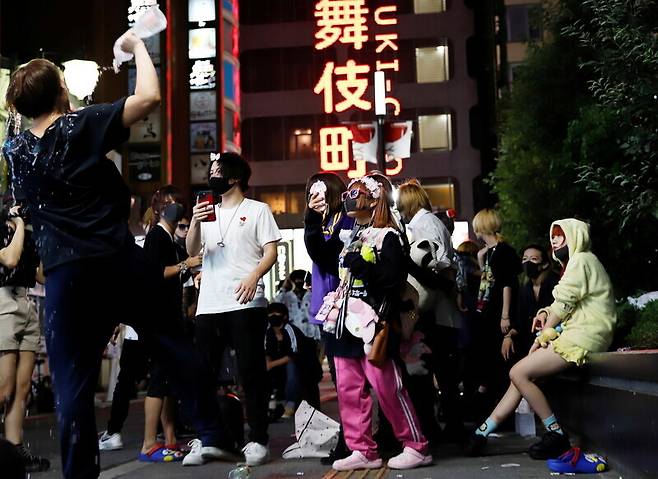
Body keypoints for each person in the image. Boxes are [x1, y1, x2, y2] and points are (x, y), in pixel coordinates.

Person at [3, 34, 235, 478]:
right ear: (62, 93)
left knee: (72, 385)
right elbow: (148, 96)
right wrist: (138, 46)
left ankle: (79, 474)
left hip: (64, 274)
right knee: (168, 339)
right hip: (116, 259)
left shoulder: (14, 150)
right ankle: (213, 432)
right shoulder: (80, 125)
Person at [466, 219, 616, 459]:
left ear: (575, 236)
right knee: (521, 375)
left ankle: (556, 434)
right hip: (579, 333)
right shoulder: (579, 262)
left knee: (518, 373)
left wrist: (543, 334)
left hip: (584, 336)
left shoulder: (582, 260)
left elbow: (565, 303)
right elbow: (565, 304)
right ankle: (482, 433)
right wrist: (546, 314)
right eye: (553, 236)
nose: (554, 240)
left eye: (560, 235)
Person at [326, 176, 431, 471]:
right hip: (344, 320)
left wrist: (367, 269)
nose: (348, 197)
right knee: (348, 388)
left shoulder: (389, 236)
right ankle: (362, 449)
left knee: (386, 386)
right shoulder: (351, 234)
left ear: (375, 199)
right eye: (347, 193)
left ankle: (416, 445)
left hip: (375, 323)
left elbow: (393, 280)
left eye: (355, 193)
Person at [187, 151, 281, 466]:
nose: (211, 174)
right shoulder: (206, 211)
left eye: (216, 170)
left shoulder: (258, 210)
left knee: (251, 372)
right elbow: (192, 251)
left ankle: (257, 439)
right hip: (209, 304)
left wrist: (254, 276)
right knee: (203, 374)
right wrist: (195, 224)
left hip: (246, 301)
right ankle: (207, 437)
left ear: (234, 177)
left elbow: (271, 252)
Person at [397, 179, 463, 442]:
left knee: (430, 374)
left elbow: (436, 265)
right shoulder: (430, 223)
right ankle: (447, 428)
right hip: (439, 311)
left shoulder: (424, 225)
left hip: (433, 311)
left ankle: (443, 429)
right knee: (440, 375)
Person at [139, 198, 202, 462]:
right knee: (158, 379)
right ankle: (148, 443)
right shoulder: (157, 237)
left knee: (165, 381)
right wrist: (187, 264)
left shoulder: (166, 238)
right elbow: (154, 274)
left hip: (166, 318)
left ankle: (170, 438)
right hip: (159, 320)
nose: (178, 207)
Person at [303, 171, 354, 464]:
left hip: (347, 308)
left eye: (319, 191)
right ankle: (351, 438)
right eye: (311, 192)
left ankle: (354, 440)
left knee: (349, 378)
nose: (314, 198)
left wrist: (311, 220)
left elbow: (325, 256)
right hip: (327, 308)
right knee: (340, 378)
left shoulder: (347, 220)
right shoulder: (322, 221)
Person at [0, 204, 49, 472]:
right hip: (3, 302)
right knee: (4, 389)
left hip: (27, 303)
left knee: (21, 389)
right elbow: (10, 259)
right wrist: (19, 226)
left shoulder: (27, 233)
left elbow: (39, 275)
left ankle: (14, 449)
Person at [471, 209, 522, 417]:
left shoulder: (503, 251)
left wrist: (505, 315)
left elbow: (506, 283)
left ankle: (499, 411)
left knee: (497, 362)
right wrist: (481, 260)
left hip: (496, 314)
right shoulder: (491, 251)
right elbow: (489, 279)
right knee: (489, 360)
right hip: (488, 312)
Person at [503, 244, 560, 361]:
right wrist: (508, 336)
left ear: (544, 264)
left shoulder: (556, 284)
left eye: (533, 259)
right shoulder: (525, 288)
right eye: (524, 259)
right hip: (530, 341)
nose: (527, 263)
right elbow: (520, 321)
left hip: (552, 339)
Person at [265, 302, 322, 415]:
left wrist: (271, 364)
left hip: (302, 366)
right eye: (270, 314)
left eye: (276, 313)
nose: (273, 316)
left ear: (284, 316)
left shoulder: (290, 330)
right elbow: (267, 352)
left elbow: (293, 355)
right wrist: (268, 363)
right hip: (281, 366)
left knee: (291, 367)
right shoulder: (269, 333)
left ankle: (290, 403)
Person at [275, 270, 319, 341]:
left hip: (311, 334)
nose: (299, 284)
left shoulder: (312, 295)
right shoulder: (286, 296)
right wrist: (284, 287)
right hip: (292, 334)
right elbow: (276, 304)